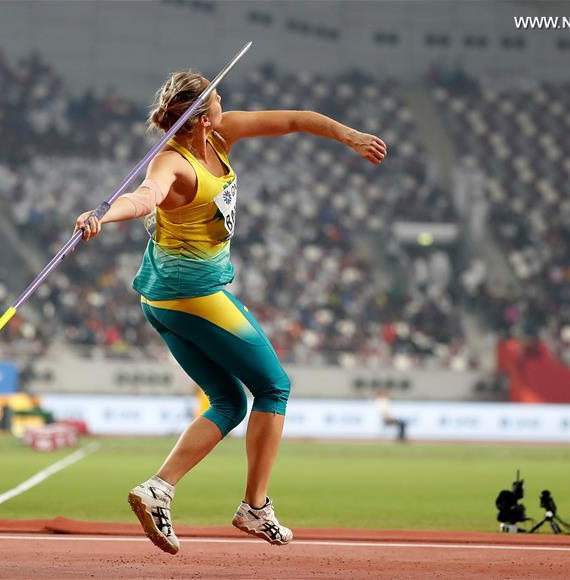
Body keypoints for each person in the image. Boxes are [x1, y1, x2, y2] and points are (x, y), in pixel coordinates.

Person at [74, 71, 386, 554]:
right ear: (200, 116)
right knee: (274, 387)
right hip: (192, 294)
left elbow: (296, 120)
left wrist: (350, 136)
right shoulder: (172, 163)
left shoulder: (221, 134)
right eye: (216, 96)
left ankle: (158, 489)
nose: (223, 99)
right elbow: (144, 198)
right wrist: (101, 215)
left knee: (229, 402)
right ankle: (255, 507)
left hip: (161, 300)